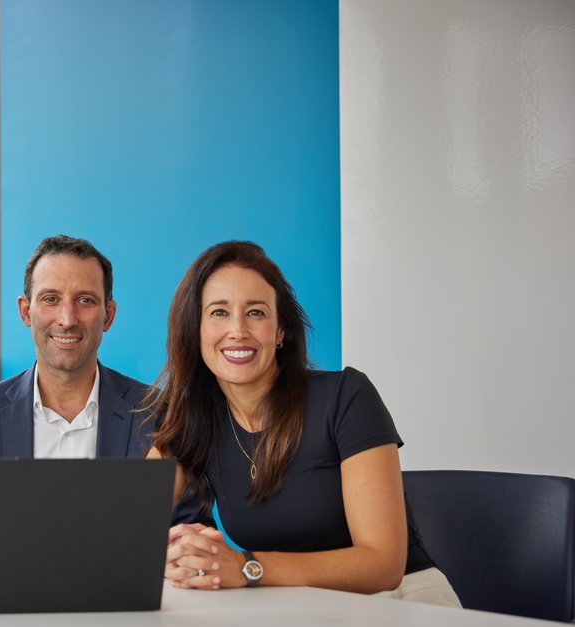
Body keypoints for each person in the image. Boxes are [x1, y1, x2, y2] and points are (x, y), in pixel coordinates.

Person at [147, 240, 459, 606]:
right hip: (294, 609)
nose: (237, 330)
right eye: (218, 312)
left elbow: (383, 564)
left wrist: (245, 567)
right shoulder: (194, 420)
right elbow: (128, 524)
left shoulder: (346, 397)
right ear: (194, 331)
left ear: (280, 332)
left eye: (256, 313)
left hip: (403, 598)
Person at [0, 234, 154, 575]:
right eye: (51, 299)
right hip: (7, 617)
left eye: (85, 300)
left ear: (108, 315)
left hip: (123, 618)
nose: (67, 318)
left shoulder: (156, 413)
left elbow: (189, 531)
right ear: (26, 311)